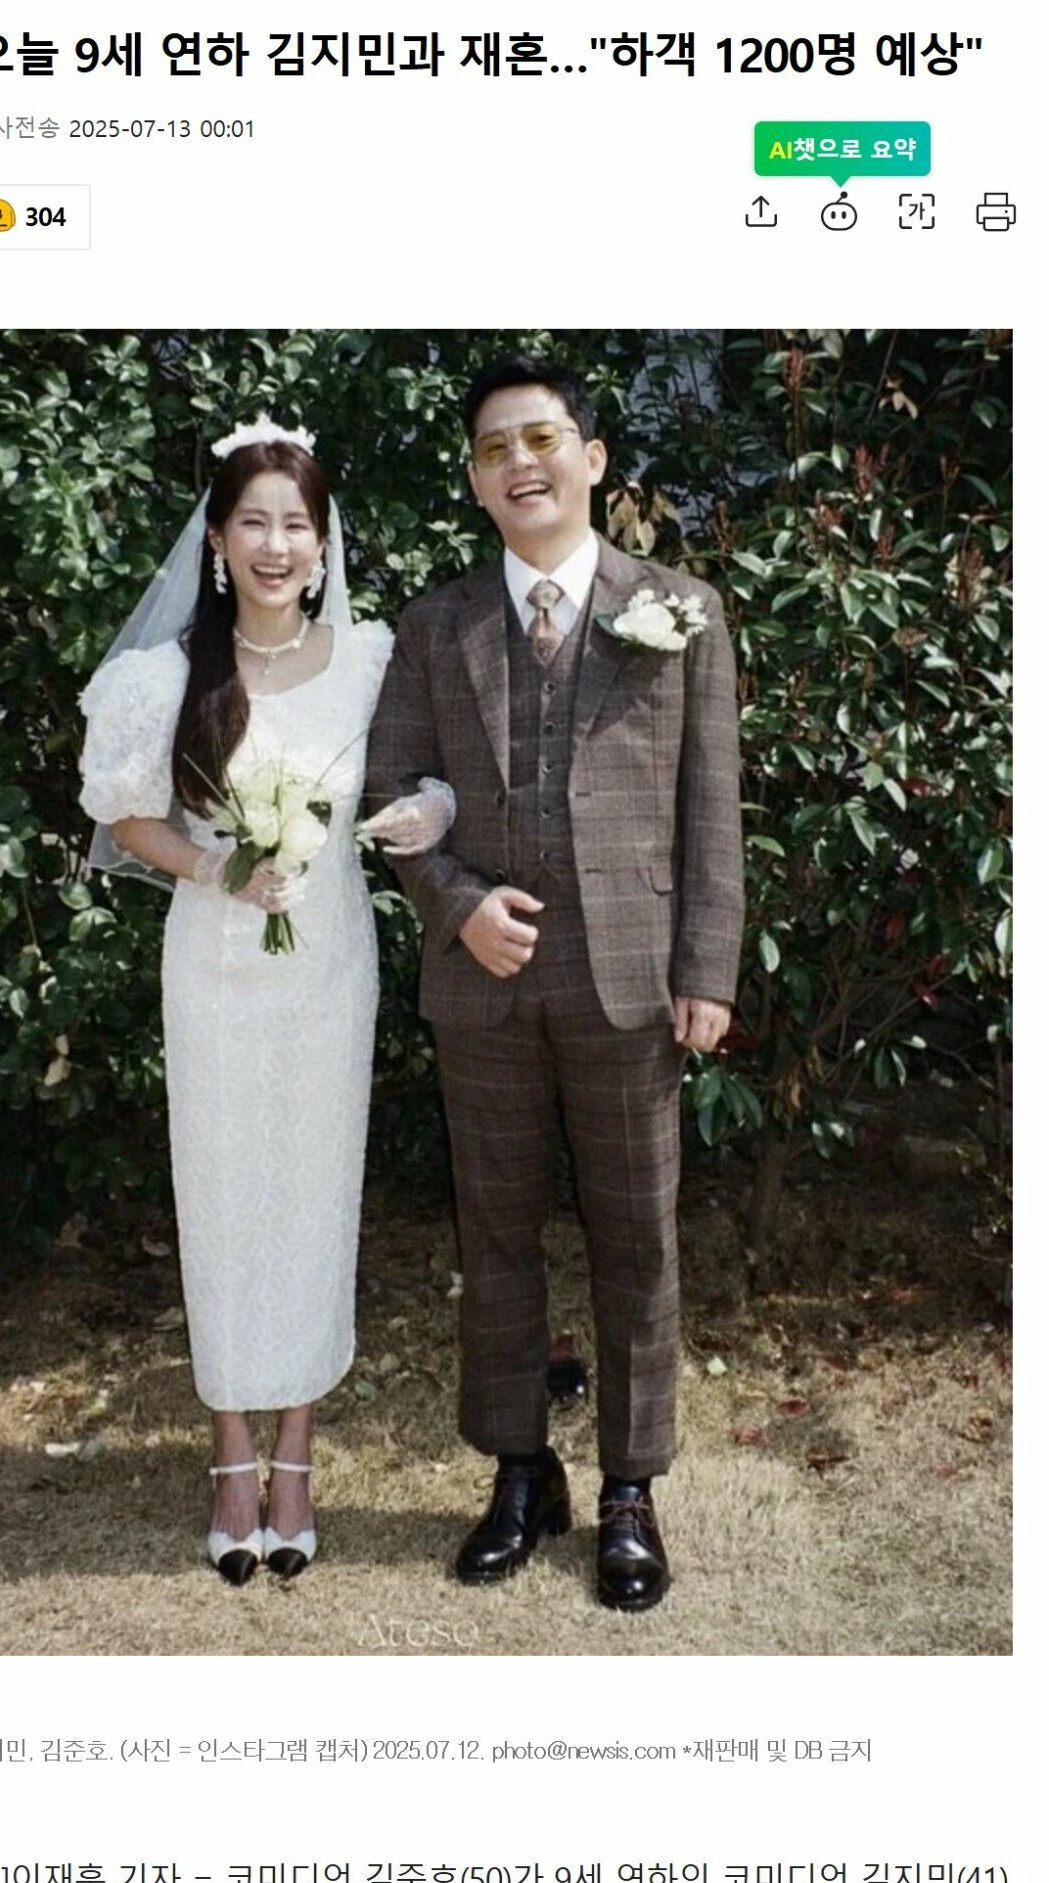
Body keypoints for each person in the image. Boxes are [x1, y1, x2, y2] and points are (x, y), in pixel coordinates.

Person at [366, 356, 744, 1611]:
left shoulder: (676, 610)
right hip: (486, 982)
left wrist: (706, 966)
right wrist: (457, 906)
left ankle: (630, 1487)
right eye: (492, 449)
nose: (518, 464)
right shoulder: (433, 628)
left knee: (636, 1237)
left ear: (590, 459)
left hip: (628, 981)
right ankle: (521, 1471)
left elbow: (710, 807)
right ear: (476, 485)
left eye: (540, 439)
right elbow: (392, 797)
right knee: (494, 1233)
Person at [79, 419, 450, 1584]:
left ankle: (296, 1452)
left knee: (312, 1195)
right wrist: (217, 867)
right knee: (224, 1196)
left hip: (328, 965)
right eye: (253, 522)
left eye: (296, 524)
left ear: (324, 542)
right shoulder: (162, 677)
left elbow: (428, 772)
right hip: (214, 969)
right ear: (217, 539)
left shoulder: (370, 660)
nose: (275, 545)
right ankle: (230, 1455)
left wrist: (425, 812)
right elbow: (125, 816)